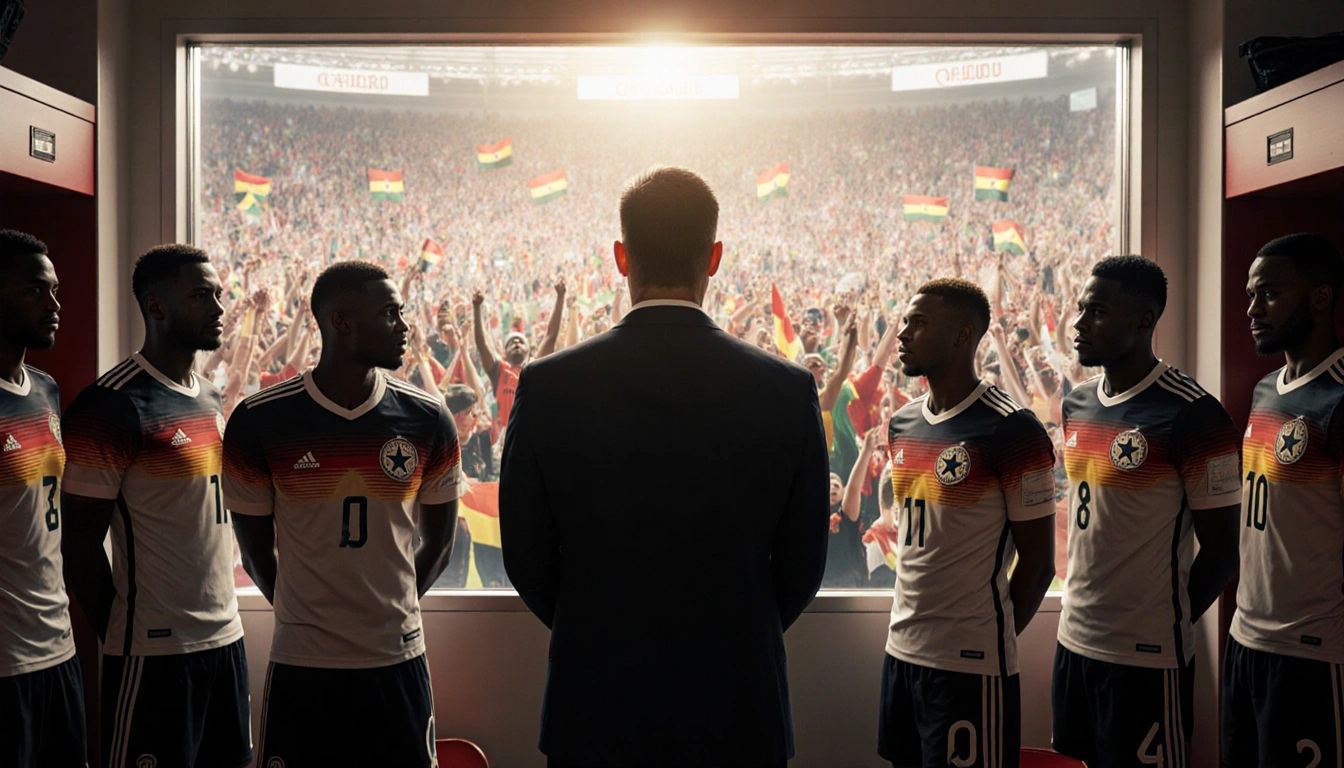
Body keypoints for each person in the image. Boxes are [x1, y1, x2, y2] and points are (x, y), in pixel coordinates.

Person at [499, 166, 829, 768]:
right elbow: (804, 562)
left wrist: (600, 626)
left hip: (596, 700)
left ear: (622, 257)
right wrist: (732, 630)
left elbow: (524, 554)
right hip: (738, 704)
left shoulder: (547, 386)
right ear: (715, 258)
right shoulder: (786, 390)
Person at [224, 260, 463, 767]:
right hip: (303, 663)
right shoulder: (260, 420)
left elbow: (439, 545)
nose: (405, 326)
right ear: (342, 322)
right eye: (390, 313)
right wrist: (303, 612)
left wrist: (389, 612)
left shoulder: (427, 418)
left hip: (395, 659)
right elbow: (253, 550)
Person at [60, 245, 250, 768]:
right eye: (200, 295)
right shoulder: (113, 405)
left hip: (226, 640)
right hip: (154, 655)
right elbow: (76, 546)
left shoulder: (210, 398)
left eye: (218, 294)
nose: (217, 306)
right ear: (156, 307)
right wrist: (128, 632)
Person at [1052, 256, 1242, 768]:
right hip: (1073, 643)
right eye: (1080, 309)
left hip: (1146, 660)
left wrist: (1165, 620)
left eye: (1097, 312)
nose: (1079, 324)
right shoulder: (1078, 404)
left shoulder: (1194, 414)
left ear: (1142, 321)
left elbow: (1225, 552)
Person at [881, 278, 1057, 768]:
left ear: (962, 336)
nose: (902, 333)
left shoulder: (1011, 429)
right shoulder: (903, 422)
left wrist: (986, 638)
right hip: (902, 651)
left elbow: (1040, 563)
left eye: (918, 323)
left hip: (970, 668)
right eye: (904, 321)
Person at [1224, 233, 1344, 766]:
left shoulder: (1340, 400)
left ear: (1320, 297)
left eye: (1269, 293)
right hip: (1245, 641)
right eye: (1251, 295)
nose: (1252, 309)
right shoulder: (1267, 388)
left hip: (1313, 655)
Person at [0, 231, 86, 768]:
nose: (54, 305)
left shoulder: (44, 389)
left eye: (53, 290)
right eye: (36, 290)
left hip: (59, 648)